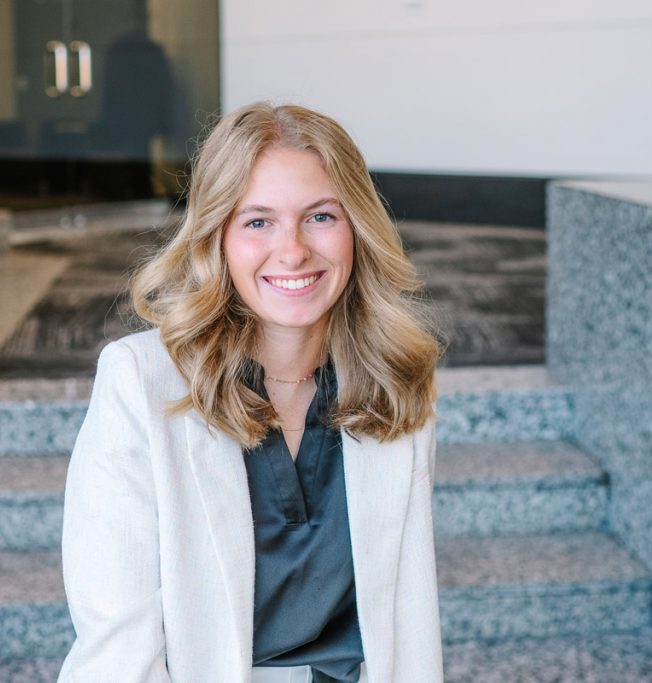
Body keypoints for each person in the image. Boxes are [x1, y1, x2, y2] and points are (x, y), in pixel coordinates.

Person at [57, 102, 443, 683]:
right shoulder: (141, 381)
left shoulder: (395, 378)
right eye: (258, 222)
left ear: (358, 228)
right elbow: (120, 645)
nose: (293, 251)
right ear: (217, 237)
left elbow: (409, 619)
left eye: (320, 216)